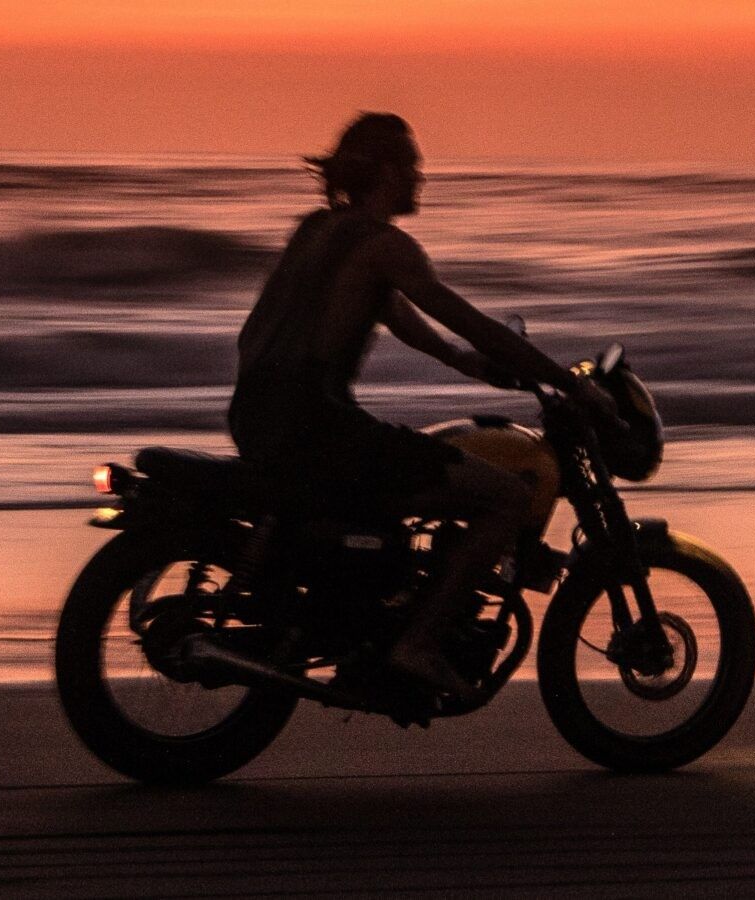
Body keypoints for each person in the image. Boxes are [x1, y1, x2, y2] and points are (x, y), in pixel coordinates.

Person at [228, 112, 614, 699]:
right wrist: (565, 380)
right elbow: (463, 317)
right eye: (413, 165)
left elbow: (401, 317)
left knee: (397, 495)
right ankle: (417, 644)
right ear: (386, 171)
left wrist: (466, 365)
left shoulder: (318, 231)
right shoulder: (386, 245)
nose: (421, 177)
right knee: (505, 497)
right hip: (316, 424)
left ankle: (374, 618)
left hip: (258, 415)